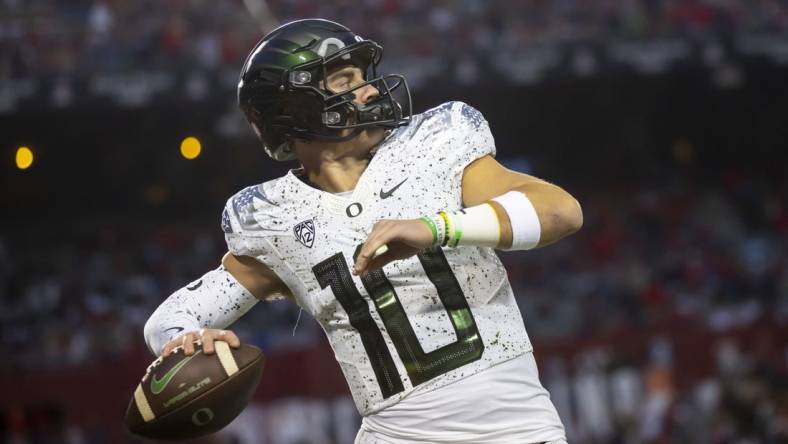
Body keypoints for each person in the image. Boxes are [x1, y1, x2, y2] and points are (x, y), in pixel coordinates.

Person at [144, 18, 582, 444]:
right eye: (344, 79)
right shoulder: (271, 219)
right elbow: (168, 322)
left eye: (363, 76)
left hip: (517, 431)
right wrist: (188, 340)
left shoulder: (434, 142)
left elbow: (561, 211)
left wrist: (436, 228)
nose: (369, 89)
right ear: (293, 106)